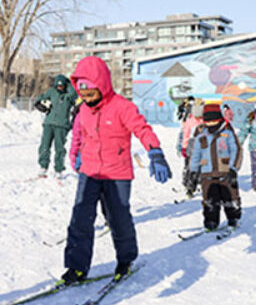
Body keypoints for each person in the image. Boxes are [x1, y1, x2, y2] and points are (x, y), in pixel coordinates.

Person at [61, 56, 170, 284]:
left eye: (91, 94)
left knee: (119, 218)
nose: (87, 100)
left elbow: (142, 129)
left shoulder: (123, 107)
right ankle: (76, 267)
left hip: (117, 173)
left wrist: (155, 152)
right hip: (90, 171)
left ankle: (125, 259)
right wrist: (77, 155)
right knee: (80, 219)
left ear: (102, 86)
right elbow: (81, 135)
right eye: (83, 95)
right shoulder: (84, 111)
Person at [189, 103, 242, 230]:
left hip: (226, 172)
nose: (211, 124)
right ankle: (211, 221)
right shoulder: (201, 136)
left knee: (230, 197)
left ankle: (233, 218)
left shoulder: (227, 133)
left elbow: (236, 150)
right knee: (209, 200)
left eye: (214, 121)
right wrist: (193, 172)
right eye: (208, 121)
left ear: (219, 119)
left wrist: (233, 168)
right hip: (207, 173)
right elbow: (196, 155)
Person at [33, 75, 77, 178]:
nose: (59, 88)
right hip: (49, 123)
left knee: (59, 148)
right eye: (58, 86)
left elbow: (75, 96)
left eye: (62, 86)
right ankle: (43, 166)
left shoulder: (69, 94)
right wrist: (39, 104)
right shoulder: (52, 92)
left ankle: (59, 169)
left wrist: (69, 84)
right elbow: (40, 98)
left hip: (62, 125)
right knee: (44, 146)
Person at [176, 97, 204, 197]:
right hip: (196, 146)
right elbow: (185, 135)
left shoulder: (192, 120)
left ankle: (192, 184)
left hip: (196, 146)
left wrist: (184, 147)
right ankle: (190, 185)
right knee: (193, 166)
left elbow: (186, 135)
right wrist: (184, 147)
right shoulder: (193, 121)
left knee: (193, 166)